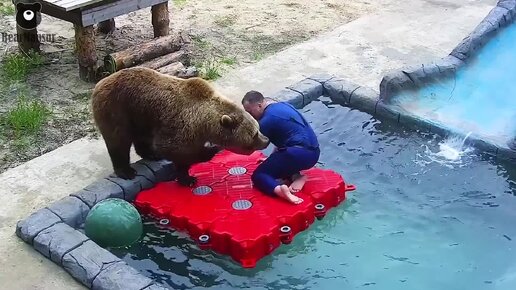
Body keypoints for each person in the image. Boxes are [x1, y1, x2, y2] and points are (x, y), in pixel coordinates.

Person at [242, 90, 320, 205]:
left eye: (250, 112)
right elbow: (282, 142)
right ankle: (297, 177)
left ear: (259, 105)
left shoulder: (265, 121)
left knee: (259, 175)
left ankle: (281, 191)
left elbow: (249, 148)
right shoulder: (282, 105)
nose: (249, 116)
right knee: (282, 161)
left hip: (296, 155)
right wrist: (273, 159)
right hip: (313, 153)